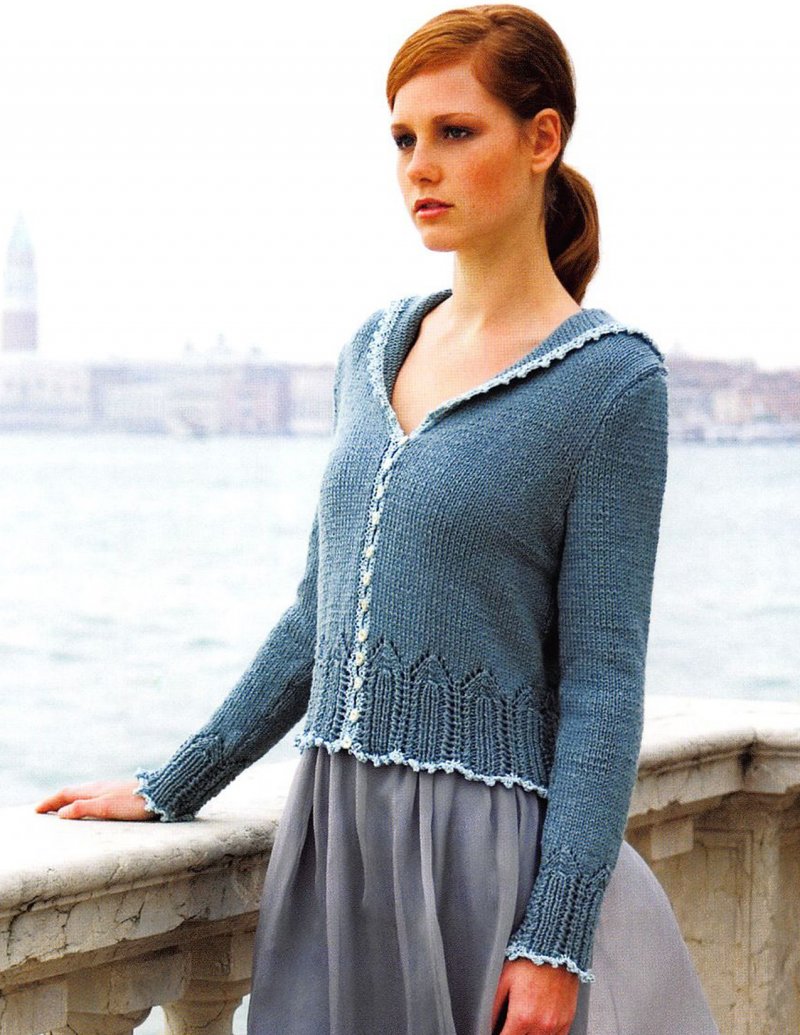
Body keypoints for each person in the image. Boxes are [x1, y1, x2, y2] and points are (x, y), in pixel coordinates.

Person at [36, 6, 721, 1034]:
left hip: (485, 867)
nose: (419, 167)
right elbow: (317, 616)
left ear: (542, 138)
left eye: (455, 132)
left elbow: (603, 683)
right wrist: (175, 782)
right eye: (403, 138)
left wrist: (554, 937)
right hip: (335, 846)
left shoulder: (611, 383)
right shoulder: (371, 349)